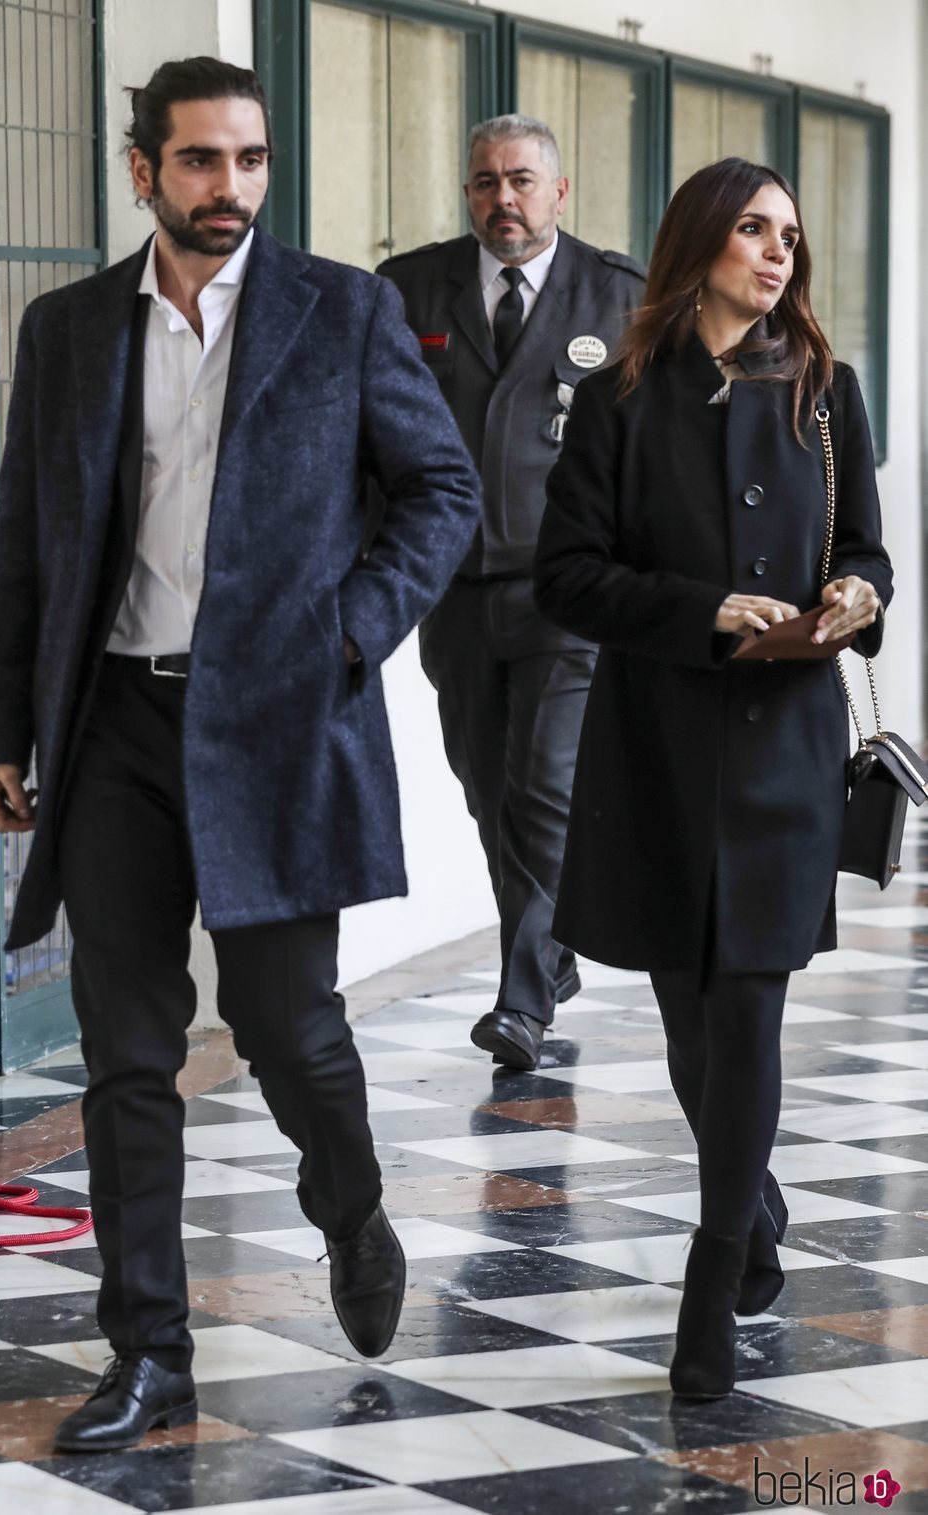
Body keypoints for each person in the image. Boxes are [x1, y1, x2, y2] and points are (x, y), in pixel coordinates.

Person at [0, 57, 479, 1452]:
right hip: (116, 726)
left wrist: (347, 633)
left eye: (250, 161)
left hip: (276, 721)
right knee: (127, 1056)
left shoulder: (342, 310)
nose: (230, 189)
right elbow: (28, 540)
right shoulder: (66, 328)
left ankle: (352, 1202)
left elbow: (443, 489)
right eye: (201, 162)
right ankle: (150, 1355)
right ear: (144, 170)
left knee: (286, 1029)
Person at [533, 157, 892, 1399]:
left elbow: (866, 550)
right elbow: (565, 575)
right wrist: (704, 611)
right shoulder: (622, 398)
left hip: (786, 756)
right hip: (660, 756)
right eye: (751, 230)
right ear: (698, 243)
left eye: (787, 233)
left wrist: (856, 594)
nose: (776, 252)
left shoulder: (827, 393)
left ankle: (712, 1267)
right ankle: (758, 1202)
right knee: (693, 1023)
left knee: (744, 1010)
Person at [379, 115, 645, 1072]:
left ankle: (523, 998)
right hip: (450, 585)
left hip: (566, 592)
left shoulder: (618, 297)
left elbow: (647, 458)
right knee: (486, 786)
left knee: (543, 789)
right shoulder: (409, 289)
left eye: (523, 180)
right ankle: (553, 944)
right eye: (486, 182)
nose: (505, 199)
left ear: (559, 192)